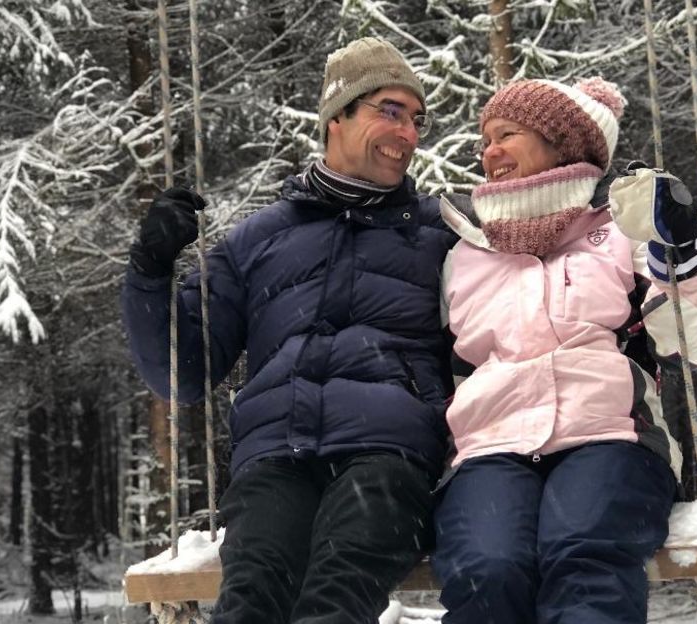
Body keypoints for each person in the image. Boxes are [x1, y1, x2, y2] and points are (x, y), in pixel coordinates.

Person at [121, 37, 458, 624]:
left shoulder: (440, 232)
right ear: (337, 116)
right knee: (251, 600)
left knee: (336, 597)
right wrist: (150, 272)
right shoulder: (257, 241)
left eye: (417, 119)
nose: (408, 133)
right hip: (278, 454)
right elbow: (183, 374)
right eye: (390, 111)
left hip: (390, 452)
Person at [430, 77, 697, 624]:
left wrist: (682, 250)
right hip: (491, 445)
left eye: (507, 134)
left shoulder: (623, 229)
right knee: (488, 571)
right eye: (484, 139)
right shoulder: (464, 248)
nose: (489, 151)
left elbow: (695, 343)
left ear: (561, 143)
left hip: (610, 435)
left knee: (583, 557)